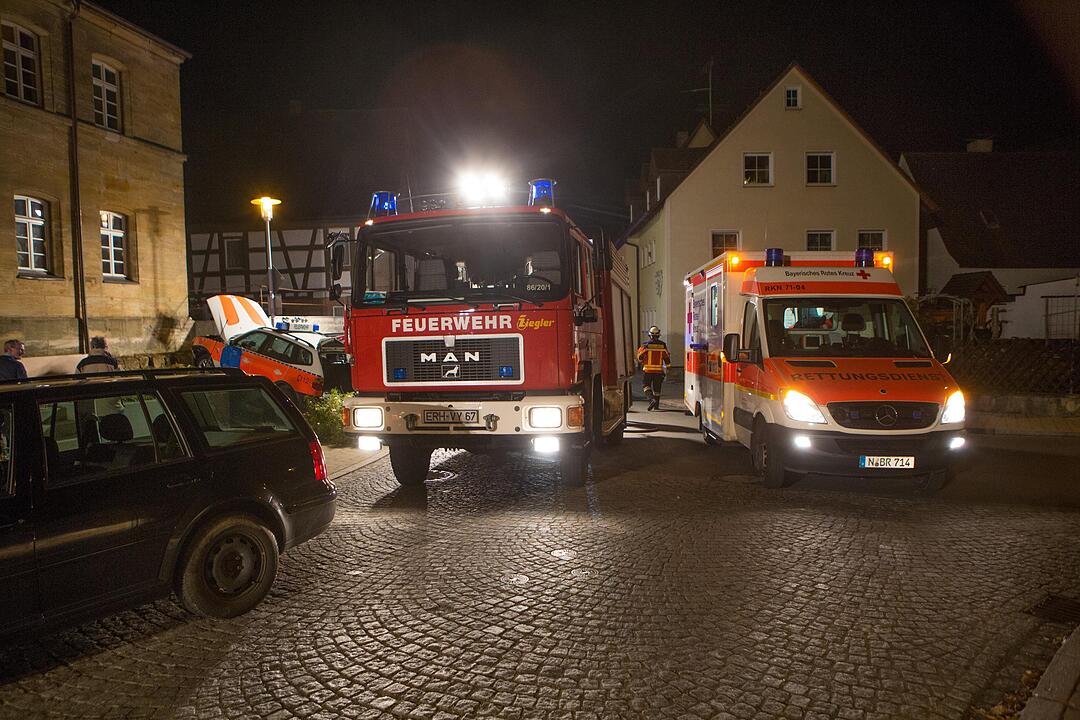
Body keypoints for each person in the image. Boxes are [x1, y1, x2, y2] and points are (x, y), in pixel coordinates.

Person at [636, 326, 671, 411]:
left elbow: (639, 357)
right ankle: (656, 406)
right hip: (658, 371)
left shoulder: (645, 345)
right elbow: (667, 357)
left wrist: (641, 360)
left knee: (646, 386)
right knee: (657, 389)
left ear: (650, 335)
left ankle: (651, 399)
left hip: (648, 371)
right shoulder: (663, 345)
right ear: (658, 335)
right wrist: (668, 367)